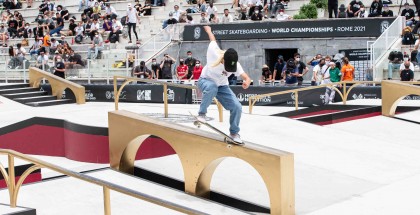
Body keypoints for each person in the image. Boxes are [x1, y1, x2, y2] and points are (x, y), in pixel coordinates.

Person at [196, 26, 251, 144]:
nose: (230, 70)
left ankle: (234, 133)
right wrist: (209, 31)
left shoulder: (236, 64)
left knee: (237, 107)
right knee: (212, 87)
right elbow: (212, 40)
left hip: (222, 87)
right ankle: (202, 114)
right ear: (223, 60)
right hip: (205, 81)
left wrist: (247, 81)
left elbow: (246, 76)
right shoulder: (213, 52)